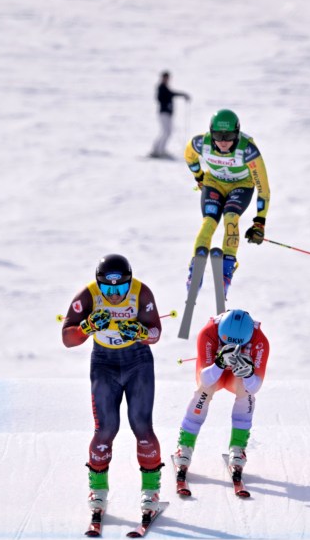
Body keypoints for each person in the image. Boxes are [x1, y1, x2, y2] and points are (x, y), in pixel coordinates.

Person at [61, 254, 165, 517]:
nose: (115, 294)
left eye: (121, 288)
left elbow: (156, 333)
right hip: (104, 364)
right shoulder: (88, 295)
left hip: (137, 362)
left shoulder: (141, 292)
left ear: (129, 283)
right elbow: (68, 339)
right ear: (99, 284)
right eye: (108, 289)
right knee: (106, 429)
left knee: (141, 426)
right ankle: (98, 492)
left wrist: (140, 333)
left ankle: (150, 492)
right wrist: (86, 326)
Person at [172, 309, 270, 485]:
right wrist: (219, 363)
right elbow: (204, 378)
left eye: (238, 344)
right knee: (204, 390)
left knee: (246, 393)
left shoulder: (260, 341)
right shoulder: (208, 332)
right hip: (213, 373)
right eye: (226, 341)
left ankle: (238, 449)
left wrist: (248, 374)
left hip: (235, 377)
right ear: (220, 333)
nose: (232, 347)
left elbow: (255, 387)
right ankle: (184, 446)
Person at [183, 109, 271, 298]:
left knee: (231, 218)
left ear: (237, 133)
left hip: (242, 185)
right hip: (214, 182)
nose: (223, 142)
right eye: (218, 136)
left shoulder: (248, 151)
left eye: (229, 136)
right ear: (211, 133)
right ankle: (195, 272)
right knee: (208, 222)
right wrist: (199, 176)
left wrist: (259, 222)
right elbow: (189, 155)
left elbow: (263, 189)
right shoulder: (201, 143)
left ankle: (226, 272)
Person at [150, 71, 190, 159]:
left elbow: (172, 94)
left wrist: (183, 95)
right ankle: (159, 151)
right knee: (166, 132)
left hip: (167, 114)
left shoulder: (166, 88)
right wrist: (181, 95)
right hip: (163, 113)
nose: (167, 79)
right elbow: (161, 97)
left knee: (166, 132)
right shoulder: (161, 87)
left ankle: (157, 150)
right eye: (165, 77)